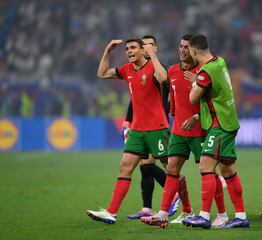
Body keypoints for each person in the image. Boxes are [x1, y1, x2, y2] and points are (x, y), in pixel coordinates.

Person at [140, 34, 228, 228]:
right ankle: (163, 213)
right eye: (180, 46)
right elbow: (172, 98)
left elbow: (212, 100)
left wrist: (196, 117)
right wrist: (173, 117)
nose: (182, 50)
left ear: (194, 50)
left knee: (208, 172)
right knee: (172, 169)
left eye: (186, 47)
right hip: (179, 130)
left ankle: (222, 214)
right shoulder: (172, 70)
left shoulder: (204, 71)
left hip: (200, 130)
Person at [86, 38, 169, 224]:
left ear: (142, 51)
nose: (129, 51)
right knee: (125, 167)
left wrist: (152, 53)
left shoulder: (153, 67)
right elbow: (102, 73)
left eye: (133, 48)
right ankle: (111, 212)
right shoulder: (127, 70)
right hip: (137, 130)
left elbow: (163, 78)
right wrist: (108, 50)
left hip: (157, 128)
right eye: (127, 49)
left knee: (171, 168)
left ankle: (187, 209)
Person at [181, 34, 249, 229]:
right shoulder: (219, 62)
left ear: (194, 51)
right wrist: (199, 80)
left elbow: (193, 98)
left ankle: (203, 216)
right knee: (228, 170)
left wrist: (195, 82)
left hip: (219, 125)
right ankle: (241, 216)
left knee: (205, 166)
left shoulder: (205, 71)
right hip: (229, 121)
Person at [125, 35, 180, 220]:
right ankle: (147, 208)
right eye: (144, 44)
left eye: (150, 45)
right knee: (146, 166)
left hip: (158, 125)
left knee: (166, 166)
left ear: (155, 48)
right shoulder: (136, 69)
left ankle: (178, 198)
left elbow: (168, 94)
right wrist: (128, 119)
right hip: (142, 125)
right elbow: (136, 99)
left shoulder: (160, 68)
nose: (146, 47)